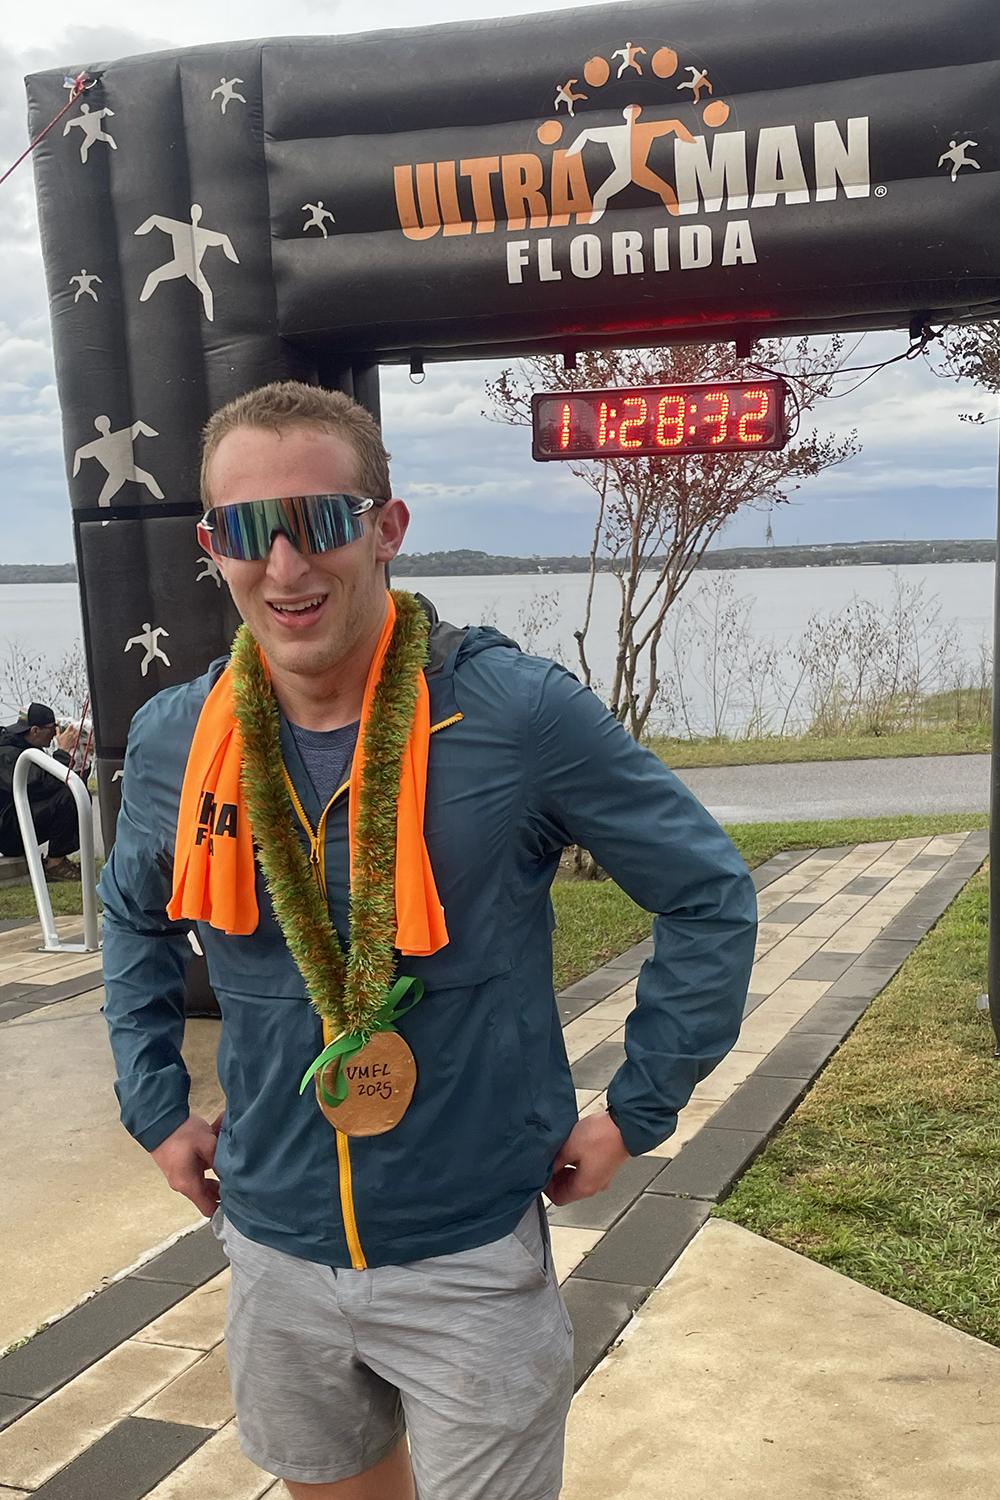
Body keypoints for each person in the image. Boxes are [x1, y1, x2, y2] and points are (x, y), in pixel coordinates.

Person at [100, 380, 757, 1500]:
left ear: (386, 528)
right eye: (248, 531)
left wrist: (640, 1110)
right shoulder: (179, 735)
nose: (287, 567)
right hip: (271, 1241)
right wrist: (154, 1105)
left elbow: (704, 893)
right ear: (214, 546)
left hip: (467, 1251)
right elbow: (130, 914)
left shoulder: (517, 713)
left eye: (320, 521)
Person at [0, 703, 81, 881]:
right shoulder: (7, 753)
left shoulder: (27, 746)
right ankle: (54, 864)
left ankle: (58, 859)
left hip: (18, 819)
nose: (55, 735)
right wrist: (62, 752)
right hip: (8, 831)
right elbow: (45, 784)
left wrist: (80, 756)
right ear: (35, 730)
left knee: (76, 794)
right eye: (52, 729)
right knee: (70, 796)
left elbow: (64, 782)